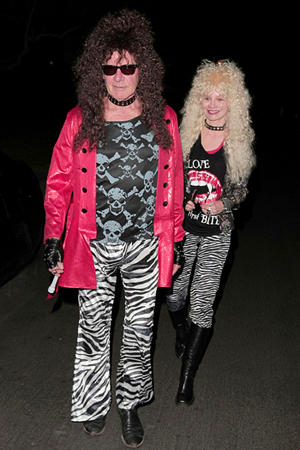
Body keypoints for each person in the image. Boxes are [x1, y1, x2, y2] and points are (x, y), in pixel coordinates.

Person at [43, 9, 185, 448]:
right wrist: (53, 238)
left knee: (140, 332)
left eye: (128, 66)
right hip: (93, 245)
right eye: (110, 67)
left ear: (143, 69)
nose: (119, 76)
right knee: (93, 331)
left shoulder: (164, 118)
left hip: (145, 244)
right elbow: (59, 182)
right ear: (96, 71)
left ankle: (129, 405)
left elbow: (176, 181)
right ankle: (91, 403)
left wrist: (176, 240)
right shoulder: (78, 120)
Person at [166, 59, 256, 405]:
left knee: (202, 305)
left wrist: (225, 204)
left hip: (217, 233)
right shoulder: (186, 133)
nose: (214, 105)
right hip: (184, 231)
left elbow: (242, 189)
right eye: (208, 98)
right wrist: (184, 200)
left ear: (231, 102)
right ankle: (181, 332)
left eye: (221, 98)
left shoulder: (237, 140)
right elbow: (173, 180)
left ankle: (185, 381)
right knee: (174, 296)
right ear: (198, 100)